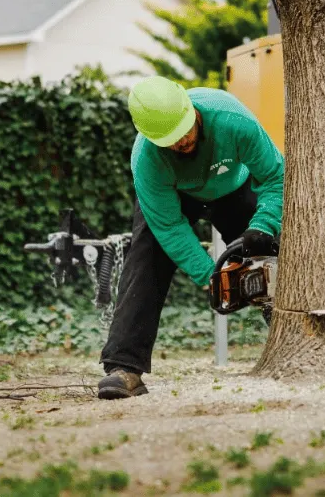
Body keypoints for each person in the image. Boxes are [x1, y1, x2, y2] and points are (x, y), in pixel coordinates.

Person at [97, 76, 284, 399]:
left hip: (234, 189)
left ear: (191, 110)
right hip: (177, 197)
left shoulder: (231, 119)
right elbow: (169, 227)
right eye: (170, 140)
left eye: (184, 131)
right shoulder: (146, 159)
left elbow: (274, 176)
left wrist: (263, 226)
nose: (181, 142)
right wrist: (211, 276)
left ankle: (295, 340)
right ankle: (124, 367)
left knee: (272, 253)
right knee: (145, 256)